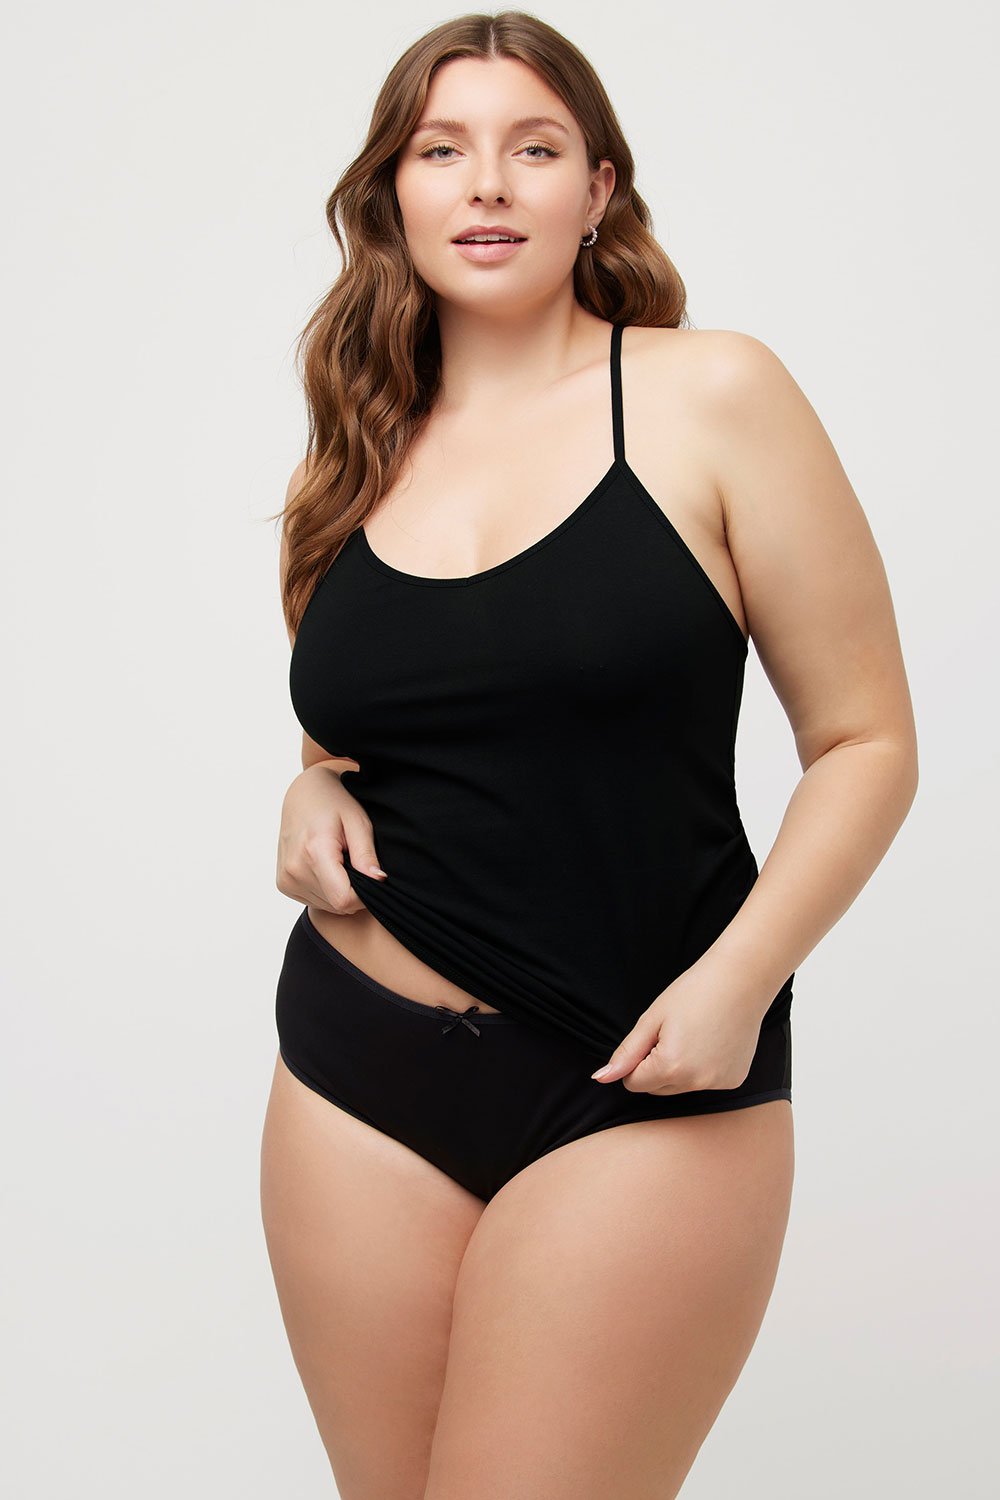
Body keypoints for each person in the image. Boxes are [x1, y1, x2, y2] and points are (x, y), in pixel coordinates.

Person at [258, 12, 918, 1499]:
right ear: (395, 192)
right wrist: (305, 787)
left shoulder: (714, 394)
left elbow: (867, 740)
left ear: (598, 188)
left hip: (642, 1076)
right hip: (356, 1071)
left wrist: (740, 982)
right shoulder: (349, 456)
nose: (488, 183)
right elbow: (360, 728)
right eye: (444, 150)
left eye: (535, 148)